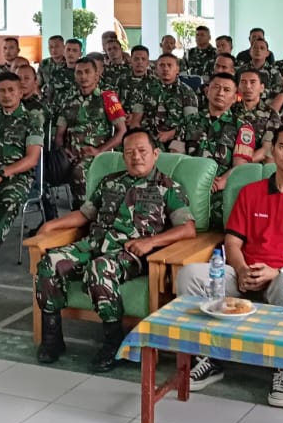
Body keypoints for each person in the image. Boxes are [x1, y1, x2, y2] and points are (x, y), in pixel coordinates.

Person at [174, 124, 283, 404]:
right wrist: (243, 268)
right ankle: (208, 358)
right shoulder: (250, 192)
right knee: (189, 275)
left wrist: (278, 272)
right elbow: (232, 242)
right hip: (242, 272)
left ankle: (280, 366)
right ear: (272, 150)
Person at [33, 129, 196, 371]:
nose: (136, 157)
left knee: (99, 269)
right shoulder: (110, 181)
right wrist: (51, 224)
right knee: (49, 263)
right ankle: (52, 339)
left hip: (131, 253)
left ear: (155, 153)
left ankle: (113, 343)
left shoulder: (168, 187)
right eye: (129, 152)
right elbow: (85, 214)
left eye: (142, 151)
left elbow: (188, 229)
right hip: (93, 244)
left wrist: (151, 242)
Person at [0, 72, 44, 266]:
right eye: (1, 91)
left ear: (21, 92)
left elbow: (32, 159)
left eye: (11, 90)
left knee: (10, 199)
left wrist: (1, 174)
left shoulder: (32, 120)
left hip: (16, 175)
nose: (6, 95)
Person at [169, 72, 256, 223]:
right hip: (187, 185)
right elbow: (175, 156)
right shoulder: (189, 121)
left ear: (235, 97)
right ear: (207, 91)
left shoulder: (243, 127)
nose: (220, 93)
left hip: (219, 190)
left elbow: (240, 166)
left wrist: (222, 181)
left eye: (227, 90)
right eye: (216, 87)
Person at [56, 56, 127, 206]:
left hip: (93, 153)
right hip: (69, 153)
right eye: (79, 73)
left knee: (78, 173)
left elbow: (122, 132)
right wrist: (62, 150)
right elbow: (60, 133)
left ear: (97, 74)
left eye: (87, 72)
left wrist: (99, 151)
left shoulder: (108, 98)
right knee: (43, 171)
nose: (83, 76)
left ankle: (83, 213)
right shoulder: (68, 99)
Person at [231, 67, 278, 148]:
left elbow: (267, 149)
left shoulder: (271, 114)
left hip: (257, 159)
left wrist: (243, 160)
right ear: (238, 88)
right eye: (243, 82)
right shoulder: (230, 109)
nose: (248, 86)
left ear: (261, 88)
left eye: (253, 82)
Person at [39, 35, 73, 99]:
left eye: (57, 46)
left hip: (67, 101)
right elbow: (37, 85)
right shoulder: (44, 63)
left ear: (64, 47)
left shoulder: (70, 62)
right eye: (51, 47)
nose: (53, 50)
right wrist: (41, 98)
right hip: (48, 100)